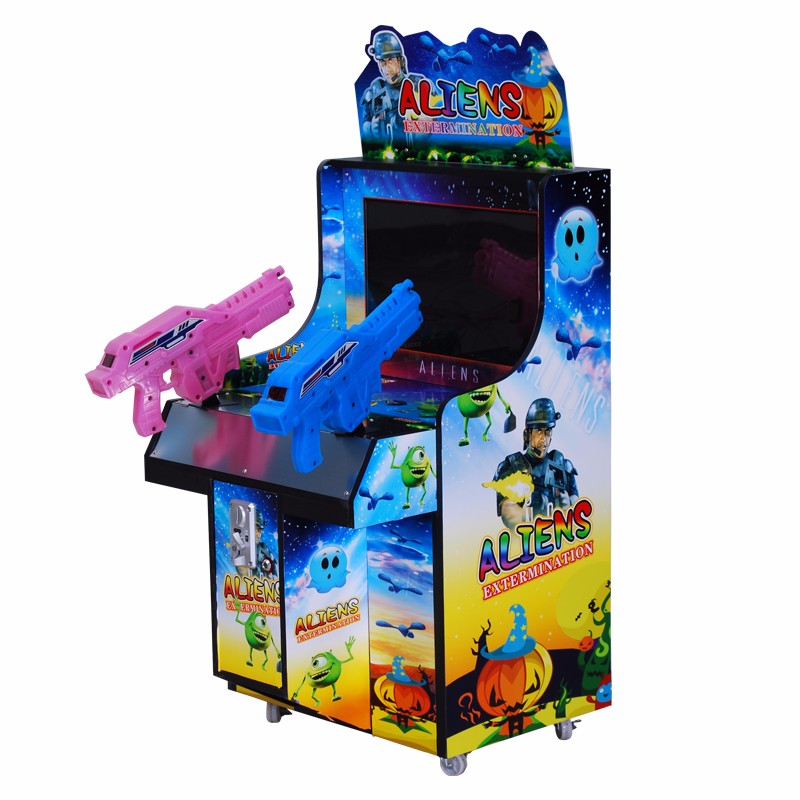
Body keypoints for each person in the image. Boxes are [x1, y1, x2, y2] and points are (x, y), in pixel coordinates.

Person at [493, 398, 578, 528]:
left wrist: (569, 504)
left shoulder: (563, 466)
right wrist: (530, 512)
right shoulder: (511, 467)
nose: (543, 439)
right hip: (527, 538)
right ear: (527, 434)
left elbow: (579, 505)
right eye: (538, 431)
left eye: (547, 431)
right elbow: (507, 513)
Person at [360, 30, 422, 149]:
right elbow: (365, 124)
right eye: (382, 61)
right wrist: (372, 129)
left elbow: (433, 123)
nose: (387, 67)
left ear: (400, 61)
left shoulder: (417, 84)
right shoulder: (375, 90)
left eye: (391, 60)